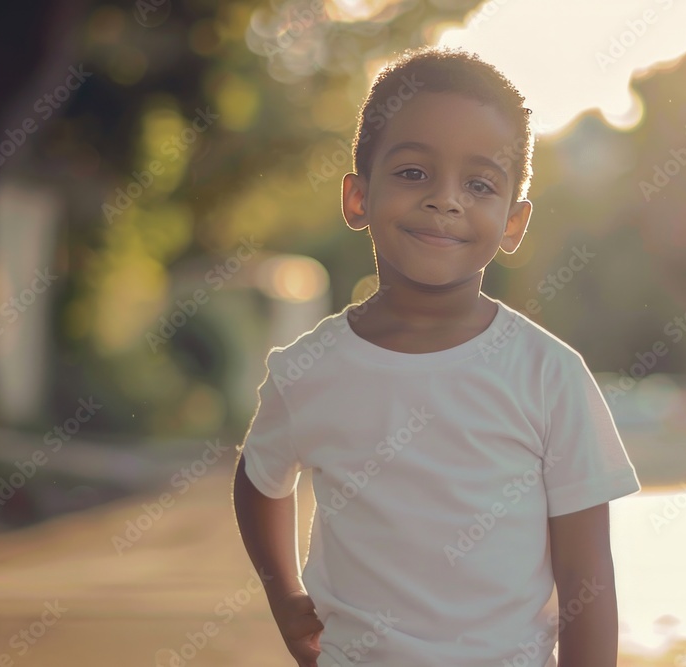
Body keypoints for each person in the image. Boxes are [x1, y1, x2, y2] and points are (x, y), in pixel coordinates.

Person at [232, 46, 640, 667]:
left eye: (479, 184)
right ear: (358, 198)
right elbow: (258, 480)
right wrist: (284, 595)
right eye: (414, 173)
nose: (445, 201)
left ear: (513, 223)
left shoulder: (547, 374)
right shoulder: (308, 371)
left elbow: (587, 579)